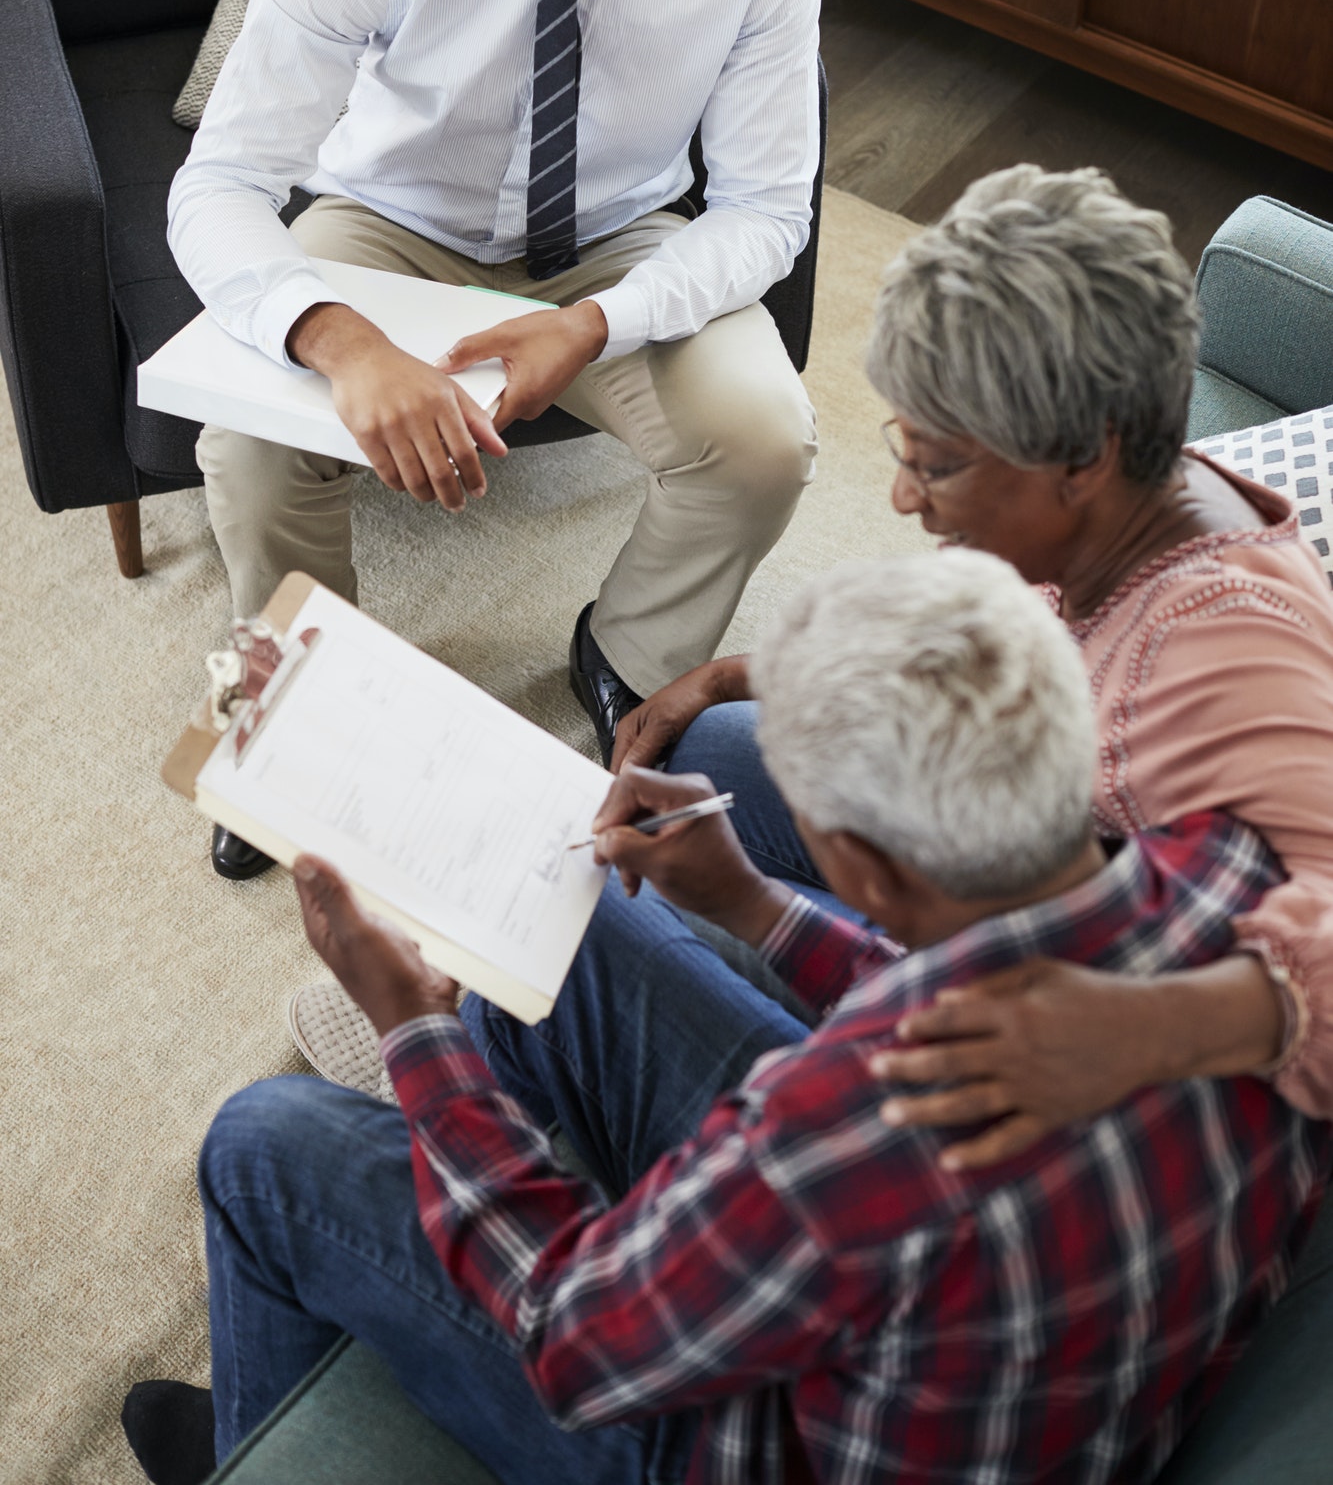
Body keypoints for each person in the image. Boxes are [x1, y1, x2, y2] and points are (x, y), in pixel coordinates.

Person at [121, 554, 1329, 1485]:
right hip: (1024, 1352)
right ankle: (500, 1174)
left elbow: (571, 1332)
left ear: (857, 857)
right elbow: (981, 988)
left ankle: (254, 1441)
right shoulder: (1237, 886)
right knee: (574, 915)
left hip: (752, 1442)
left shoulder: (843, 1133)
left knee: (263, 1146)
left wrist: (414, 1038)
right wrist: (753, 903)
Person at [167, 0, 820, 878]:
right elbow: (221, 182)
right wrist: (338, 336)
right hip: (392, 223)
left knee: (763, 443)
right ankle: (295, 718)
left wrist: (597, 322)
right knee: (246, 445)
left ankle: (625, 659)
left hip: (620, 240)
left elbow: (765, 206)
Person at [615, 165, 1333, 1161]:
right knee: (719, 746)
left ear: (1083, 457)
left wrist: (1111, 1030)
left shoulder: (1225, 652)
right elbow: (1001, 649)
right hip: (1031, 907)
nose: (905, 497)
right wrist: (738, 670)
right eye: (901, 449)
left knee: (619, 928)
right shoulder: (1132, 509)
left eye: (938, 463)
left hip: (1076, 1083)